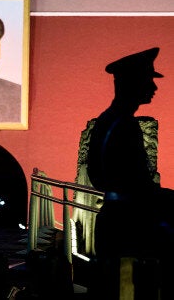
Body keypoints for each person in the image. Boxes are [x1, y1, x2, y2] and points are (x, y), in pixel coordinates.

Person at [86, 47, 174, 299]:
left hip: (114, 218)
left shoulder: (107, 120)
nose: (153, 88)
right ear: (132, 83)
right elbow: (137, 183)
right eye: (148, 80)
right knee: (130, 289)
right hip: (130, 224)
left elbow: (96, 175)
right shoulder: (124, 126)